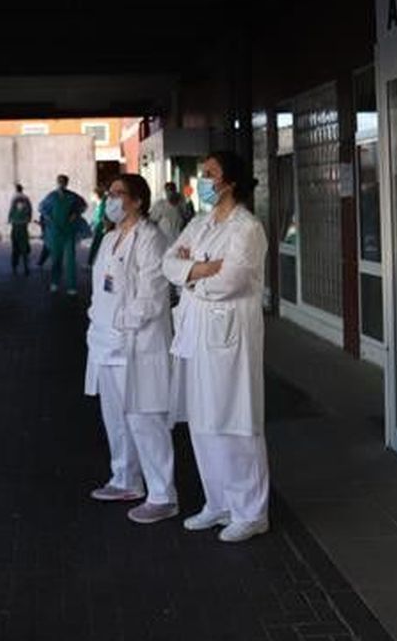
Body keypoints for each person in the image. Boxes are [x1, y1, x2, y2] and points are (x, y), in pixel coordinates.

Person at [162, 152, 271, 544]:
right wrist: (200, 269)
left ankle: (250, 511)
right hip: (196, 334)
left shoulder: (248, 228)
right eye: (203, 173)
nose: (203, 179)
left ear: (231, 182)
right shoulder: (200, 222)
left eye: (210, 173)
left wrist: (191, 278)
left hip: (230, 336)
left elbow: (233, 281)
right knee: (204, 421)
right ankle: (218, 502)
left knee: (236, 421)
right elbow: (167, 261)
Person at [84, 175, 177, 525]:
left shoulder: (151, 239)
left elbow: (152, 295)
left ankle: (163, 495)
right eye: (109, 194)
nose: (111, 200)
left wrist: (124, 323)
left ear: (137, 201)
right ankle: (125, 479)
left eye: (118, 194)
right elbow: (101, 289)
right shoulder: (109, 238)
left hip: (138, 343)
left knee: (145, 419)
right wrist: (98, 321)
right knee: (116, 418)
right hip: (106, 343)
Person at [40, 174, 86, 296]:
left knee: (70, 259)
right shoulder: (51, 196)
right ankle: (55, 283)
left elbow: (83, 205)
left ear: (66, 183)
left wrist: (75, 214)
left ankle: (71, 286)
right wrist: (48, 219)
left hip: (68, 232)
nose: (61, 184)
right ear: (57, 182)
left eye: (63, 182)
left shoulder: (72, 196)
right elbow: (42, 209)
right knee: (56, 259)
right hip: (55, 232)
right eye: (60, 181)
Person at [6, 185, 34, 274]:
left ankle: (14, 267)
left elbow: (11, 212)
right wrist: (27, 219)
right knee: (24, 248)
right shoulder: (26, 199)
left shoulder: (14, 199)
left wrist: (10, 219)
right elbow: (30, 211)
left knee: (15, 248)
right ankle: (26, 267)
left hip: (16, 226)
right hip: (23, 226)